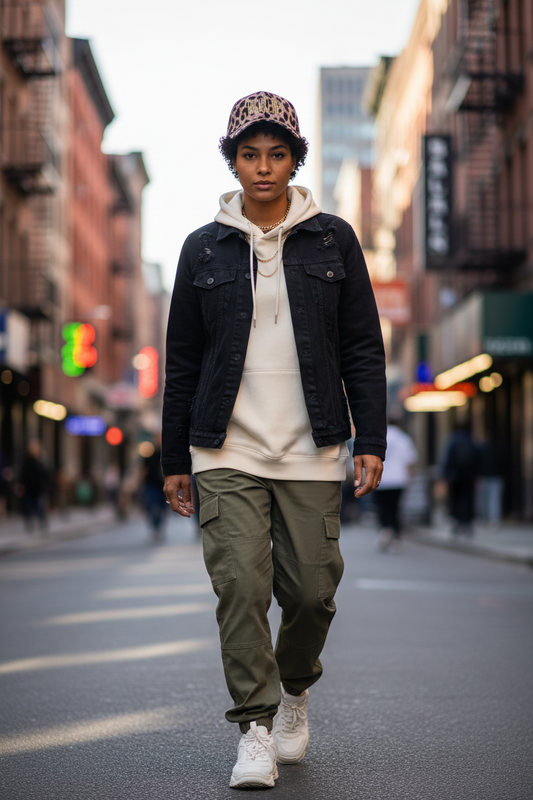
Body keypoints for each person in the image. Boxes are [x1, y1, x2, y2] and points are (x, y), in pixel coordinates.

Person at [162, 91, 387, 789]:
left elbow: (362, 348)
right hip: (223, 446)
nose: (263, 168)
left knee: (313, 592)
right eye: (249, 155)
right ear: (232, 162)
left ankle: (294, 689)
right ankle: (255, 728)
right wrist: (176, 458)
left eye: (276, 154)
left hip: (311, 446)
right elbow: (182, 360)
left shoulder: (333, 238)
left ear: (294, 161)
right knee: (239, 587)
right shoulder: (202, 246)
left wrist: (368, 437)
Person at [375, 414, 417, 551]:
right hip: (398, 480)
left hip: (381, 480)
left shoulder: (380, 437)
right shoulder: (404, 438)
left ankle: (385, 530)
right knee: (395, 508)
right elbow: (410, 461)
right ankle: (395, 536)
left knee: (383, 508)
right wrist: (410, 478)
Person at [443, 422, 480, 535]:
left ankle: (457, 521)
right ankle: (468, 522)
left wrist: (445, 474)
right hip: (469, 476)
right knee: (468, 499)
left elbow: (448, 459)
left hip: (455, 476)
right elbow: (478, 458)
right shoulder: (471, 441)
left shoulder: (453, 441)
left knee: (456, 499)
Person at [140, 434, 167, 542]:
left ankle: (159, 526)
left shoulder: (165, 454)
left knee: (161, 507)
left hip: (162, 486)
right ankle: (155, 526)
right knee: (152, 505)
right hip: (151, 485)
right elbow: (143, 470)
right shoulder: (149, 455)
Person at [18, 439, 50, 532]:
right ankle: (29, 523)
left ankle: (42, 523)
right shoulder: (26, 461)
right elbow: (23, 475)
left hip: (39, 489)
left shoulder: (42, 461)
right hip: (29, 489)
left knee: (40, 507)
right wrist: (21, 485)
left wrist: (46, 486)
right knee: (29, 506)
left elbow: (46, 474)